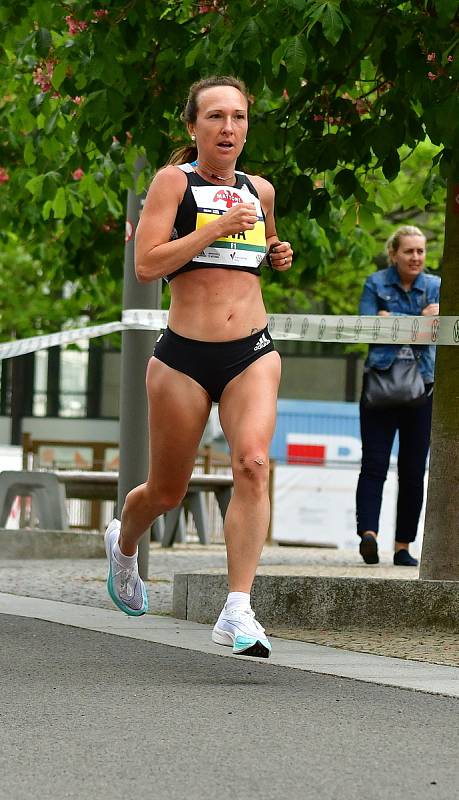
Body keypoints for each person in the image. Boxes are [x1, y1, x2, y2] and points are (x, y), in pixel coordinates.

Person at [104, 75, 293, 658]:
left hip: (251, 351)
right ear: (194, 127)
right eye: (214, 117)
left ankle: (237, 610)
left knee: (254, 465)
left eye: (237, 117)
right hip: (183, 356)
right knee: (166, 490)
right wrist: (213, 227)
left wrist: (276, 252)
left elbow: (257, 250)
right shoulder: (172, 182)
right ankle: (124, 542)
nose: (228, 128)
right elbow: (148, 265)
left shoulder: (259, 190)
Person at [356, 225, 440, 567]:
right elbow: (366, 323)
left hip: (423, 388)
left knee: (413, 469)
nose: (416, 257)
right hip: (379, 387)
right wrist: (419, 319)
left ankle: (403, 546)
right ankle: (368, 536)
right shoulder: (375, 283)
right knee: (373, 465)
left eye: (421, 251)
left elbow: (441, 328)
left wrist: (394, 320)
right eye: (409, 251)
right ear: (394, 254)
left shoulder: (436, 286)